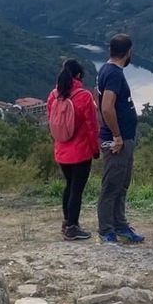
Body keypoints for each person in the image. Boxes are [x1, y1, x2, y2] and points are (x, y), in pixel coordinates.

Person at [97, 34, 145, 244]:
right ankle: (106, 230)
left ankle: (120, 225)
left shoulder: (106, 70)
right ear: (128, 52)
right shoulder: (114, 73)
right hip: (118, 141)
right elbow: (106, 107)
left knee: (121, 184)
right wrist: (116, 136)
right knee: (111, 185)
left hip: (123, 138)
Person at [48, 59, 100, 241]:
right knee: (77, 190)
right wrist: (95, 150)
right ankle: (72, 227)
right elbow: (92, 126)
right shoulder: (83, 96)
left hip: (61, 150)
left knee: (69, 186)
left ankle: (67, 222)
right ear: (78, 75)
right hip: (81, 152)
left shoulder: (54, 95)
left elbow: (52, 121)